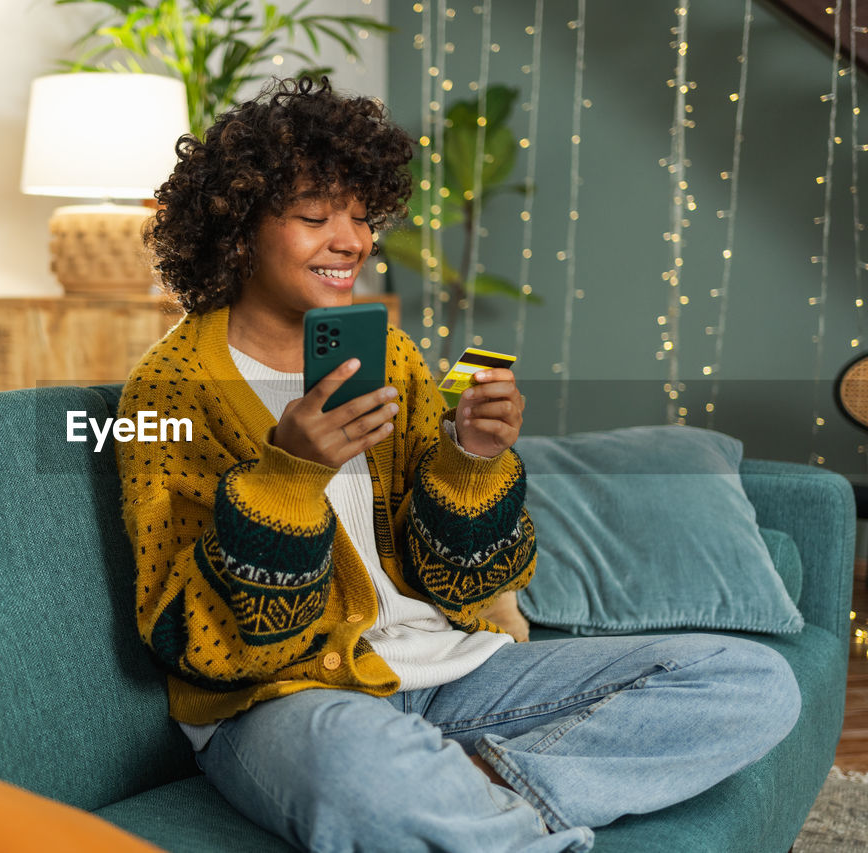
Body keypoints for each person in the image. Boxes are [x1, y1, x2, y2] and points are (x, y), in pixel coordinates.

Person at [114, 76, 800, 853]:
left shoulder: (392, 359)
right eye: (315, 216)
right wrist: (289, 475)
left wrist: (470, 460)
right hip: (290, 701)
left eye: (362, 216)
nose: (352, 240)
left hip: (455, 675)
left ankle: (475, 782)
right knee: (357, 771)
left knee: (750, 681)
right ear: (237, 229)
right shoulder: (168, 388)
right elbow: (190, 634)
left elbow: (462, 584)